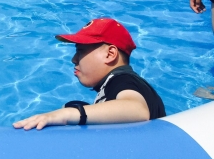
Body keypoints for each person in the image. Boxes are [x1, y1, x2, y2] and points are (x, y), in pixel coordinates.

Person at [13, 18, 166, 131]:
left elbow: (137, 109)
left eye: (80, 51)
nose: (74, 59)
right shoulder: (117, 84)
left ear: (110, 54)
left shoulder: (123, 80)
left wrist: (67, 114)